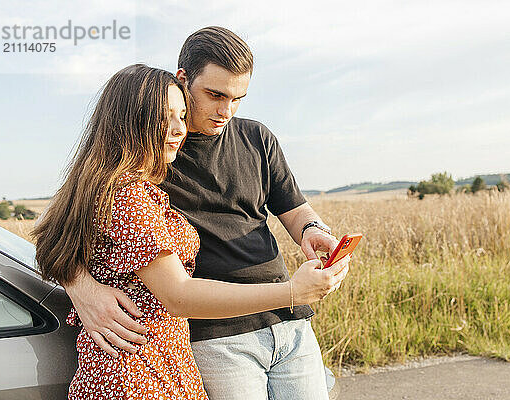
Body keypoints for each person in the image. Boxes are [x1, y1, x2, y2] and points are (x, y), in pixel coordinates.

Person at [63, 27, 347, 399]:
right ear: (183, 79)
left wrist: (312, 229)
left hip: (290, 324)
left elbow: (295, 210)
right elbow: (63, 227)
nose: (225, 111)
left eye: (237, 98)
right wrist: (82, 289)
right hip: (215, 337)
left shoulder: (256, 138)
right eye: (215, 95)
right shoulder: (151, 159)